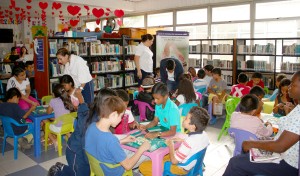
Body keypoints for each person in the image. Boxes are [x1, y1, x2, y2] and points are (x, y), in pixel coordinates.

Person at [223, 71, 300, 176]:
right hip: (281, 156)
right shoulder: (297, 109)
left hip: (287, 164)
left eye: (293, 84)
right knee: (242, 159)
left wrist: (251, 143)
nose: (289, 87)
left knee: (235, 163)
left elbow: (280, 146)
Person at [48, 88, 118, 176]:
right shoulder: (92, 121)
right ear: (105, 105)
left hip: (85, 151)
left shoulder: (99, 114)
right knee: (80, 173)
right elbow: (84, 143)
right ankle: (59, 170)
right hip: (77, 152)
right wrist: (90, 158)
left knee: (84, 172)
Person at [85, 96, 151, 175]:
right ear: (113, 115)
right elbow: (128, 166)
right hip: (114, 172)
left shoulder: (91, 127)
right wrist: (141, 149)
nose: (121, 120)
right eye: (121, 116)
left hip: (100, 169)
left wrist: (122, 141)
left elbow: (102, 144)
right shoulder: (111, 140)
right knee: (147, 155)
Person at [139, 106, 210, 176]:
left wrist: (171, 145)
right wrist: (183, 140)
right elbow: (196, 144)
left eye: (186, 119)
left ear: (193, 126)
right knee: (162, 157)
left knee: (143, 166)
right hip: (194, 165)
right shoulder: (204, 135)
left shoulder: (189, 142)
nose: (183, 119)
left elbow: (174, 161)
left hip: (181, 168)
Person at [45, 84, 76, 150]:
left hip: (59, 128)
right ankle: (71, 138)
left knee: (45, 121)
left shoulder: (53, 101)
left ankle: (55, 141)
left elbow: (48, 112)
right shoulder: (68, 98)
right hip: (70, 125)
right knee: (62, 121)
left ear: (54, 93)